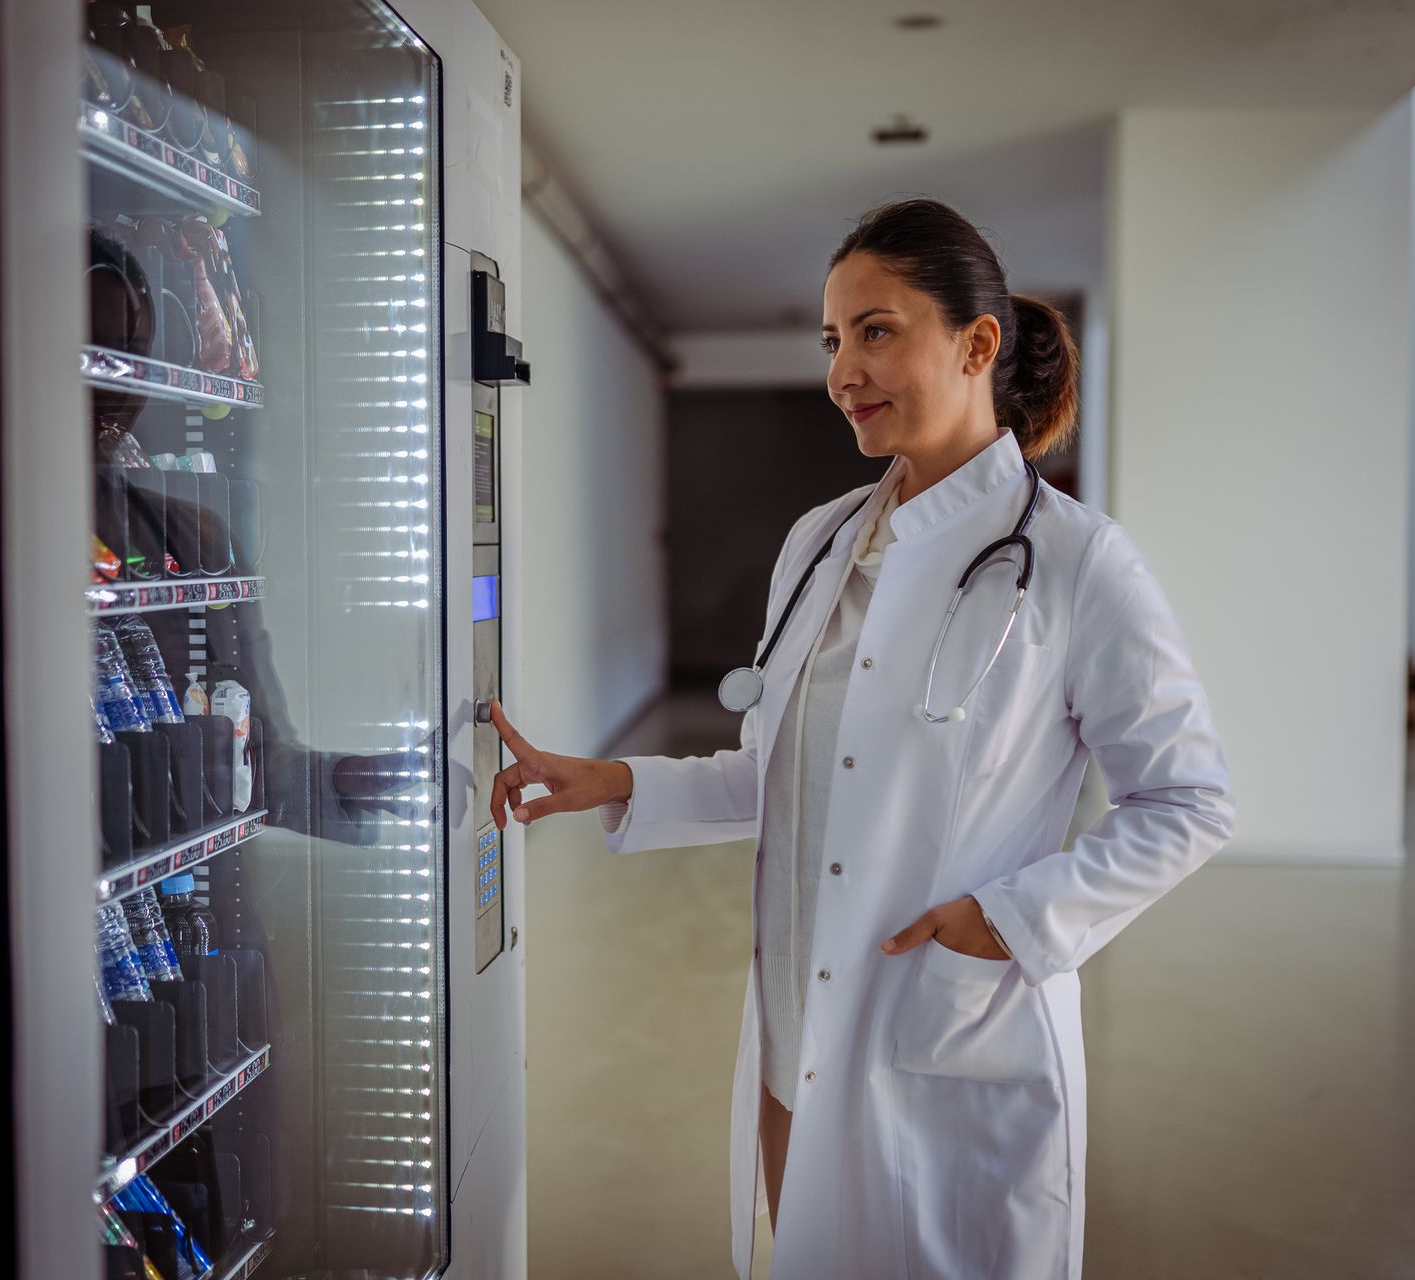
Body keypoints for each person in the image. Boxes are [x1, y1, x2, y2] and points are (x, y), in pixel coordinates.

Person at [486, 197, 1234, 1280]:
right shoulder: (820, 540)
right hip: (800, 1024)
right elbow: (790, 773)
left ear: (978, 344)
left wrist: (1012, 918)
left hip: (949, 1025)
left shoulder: (1077, 564)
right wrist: (613, 777)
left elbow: (1190, 800)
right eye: (834, 338)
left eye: (877, 330)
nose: (844, 370)